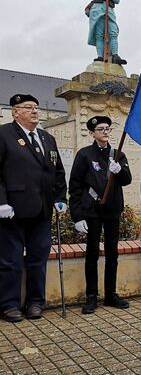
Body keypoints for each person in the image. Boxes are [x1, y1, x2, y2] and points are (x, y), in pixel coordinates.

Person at [0, 94, 67, 323]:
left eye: (36, 107)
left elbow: (58, 172)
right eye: (28, 107)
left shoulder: (47, 138)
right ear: (15, 112)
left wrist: (60, 198)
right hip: (13, 210)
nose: (34, 111)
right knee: (10, 260)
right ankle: (9, 304)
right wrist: (1, 202)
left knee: (38, 258)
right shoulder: (4, 135)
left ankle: (35, 303)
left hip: (43, 210)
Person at [69, 116, 132, 314]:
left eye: (107, 128)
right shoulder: (85, 155)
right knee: (92, 254)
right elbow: (75, 186)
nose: (105, 132)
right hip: (92, 211)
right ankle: (91, 296)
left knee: (112, 253)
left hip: (112, 210)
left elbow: (127, 180)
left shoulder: (118, 154)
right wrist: (77, 216)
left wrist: (119, 170)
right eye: (101, 129)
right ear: (92, 133)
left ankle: (111, 294)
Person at [87, 0, 127, 65]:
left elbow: (117, 0)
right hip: (98, 9)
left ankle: (115, 55)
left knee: (113, 32)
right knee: (99, 34)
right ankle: (100, 56)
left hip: (109, 10)